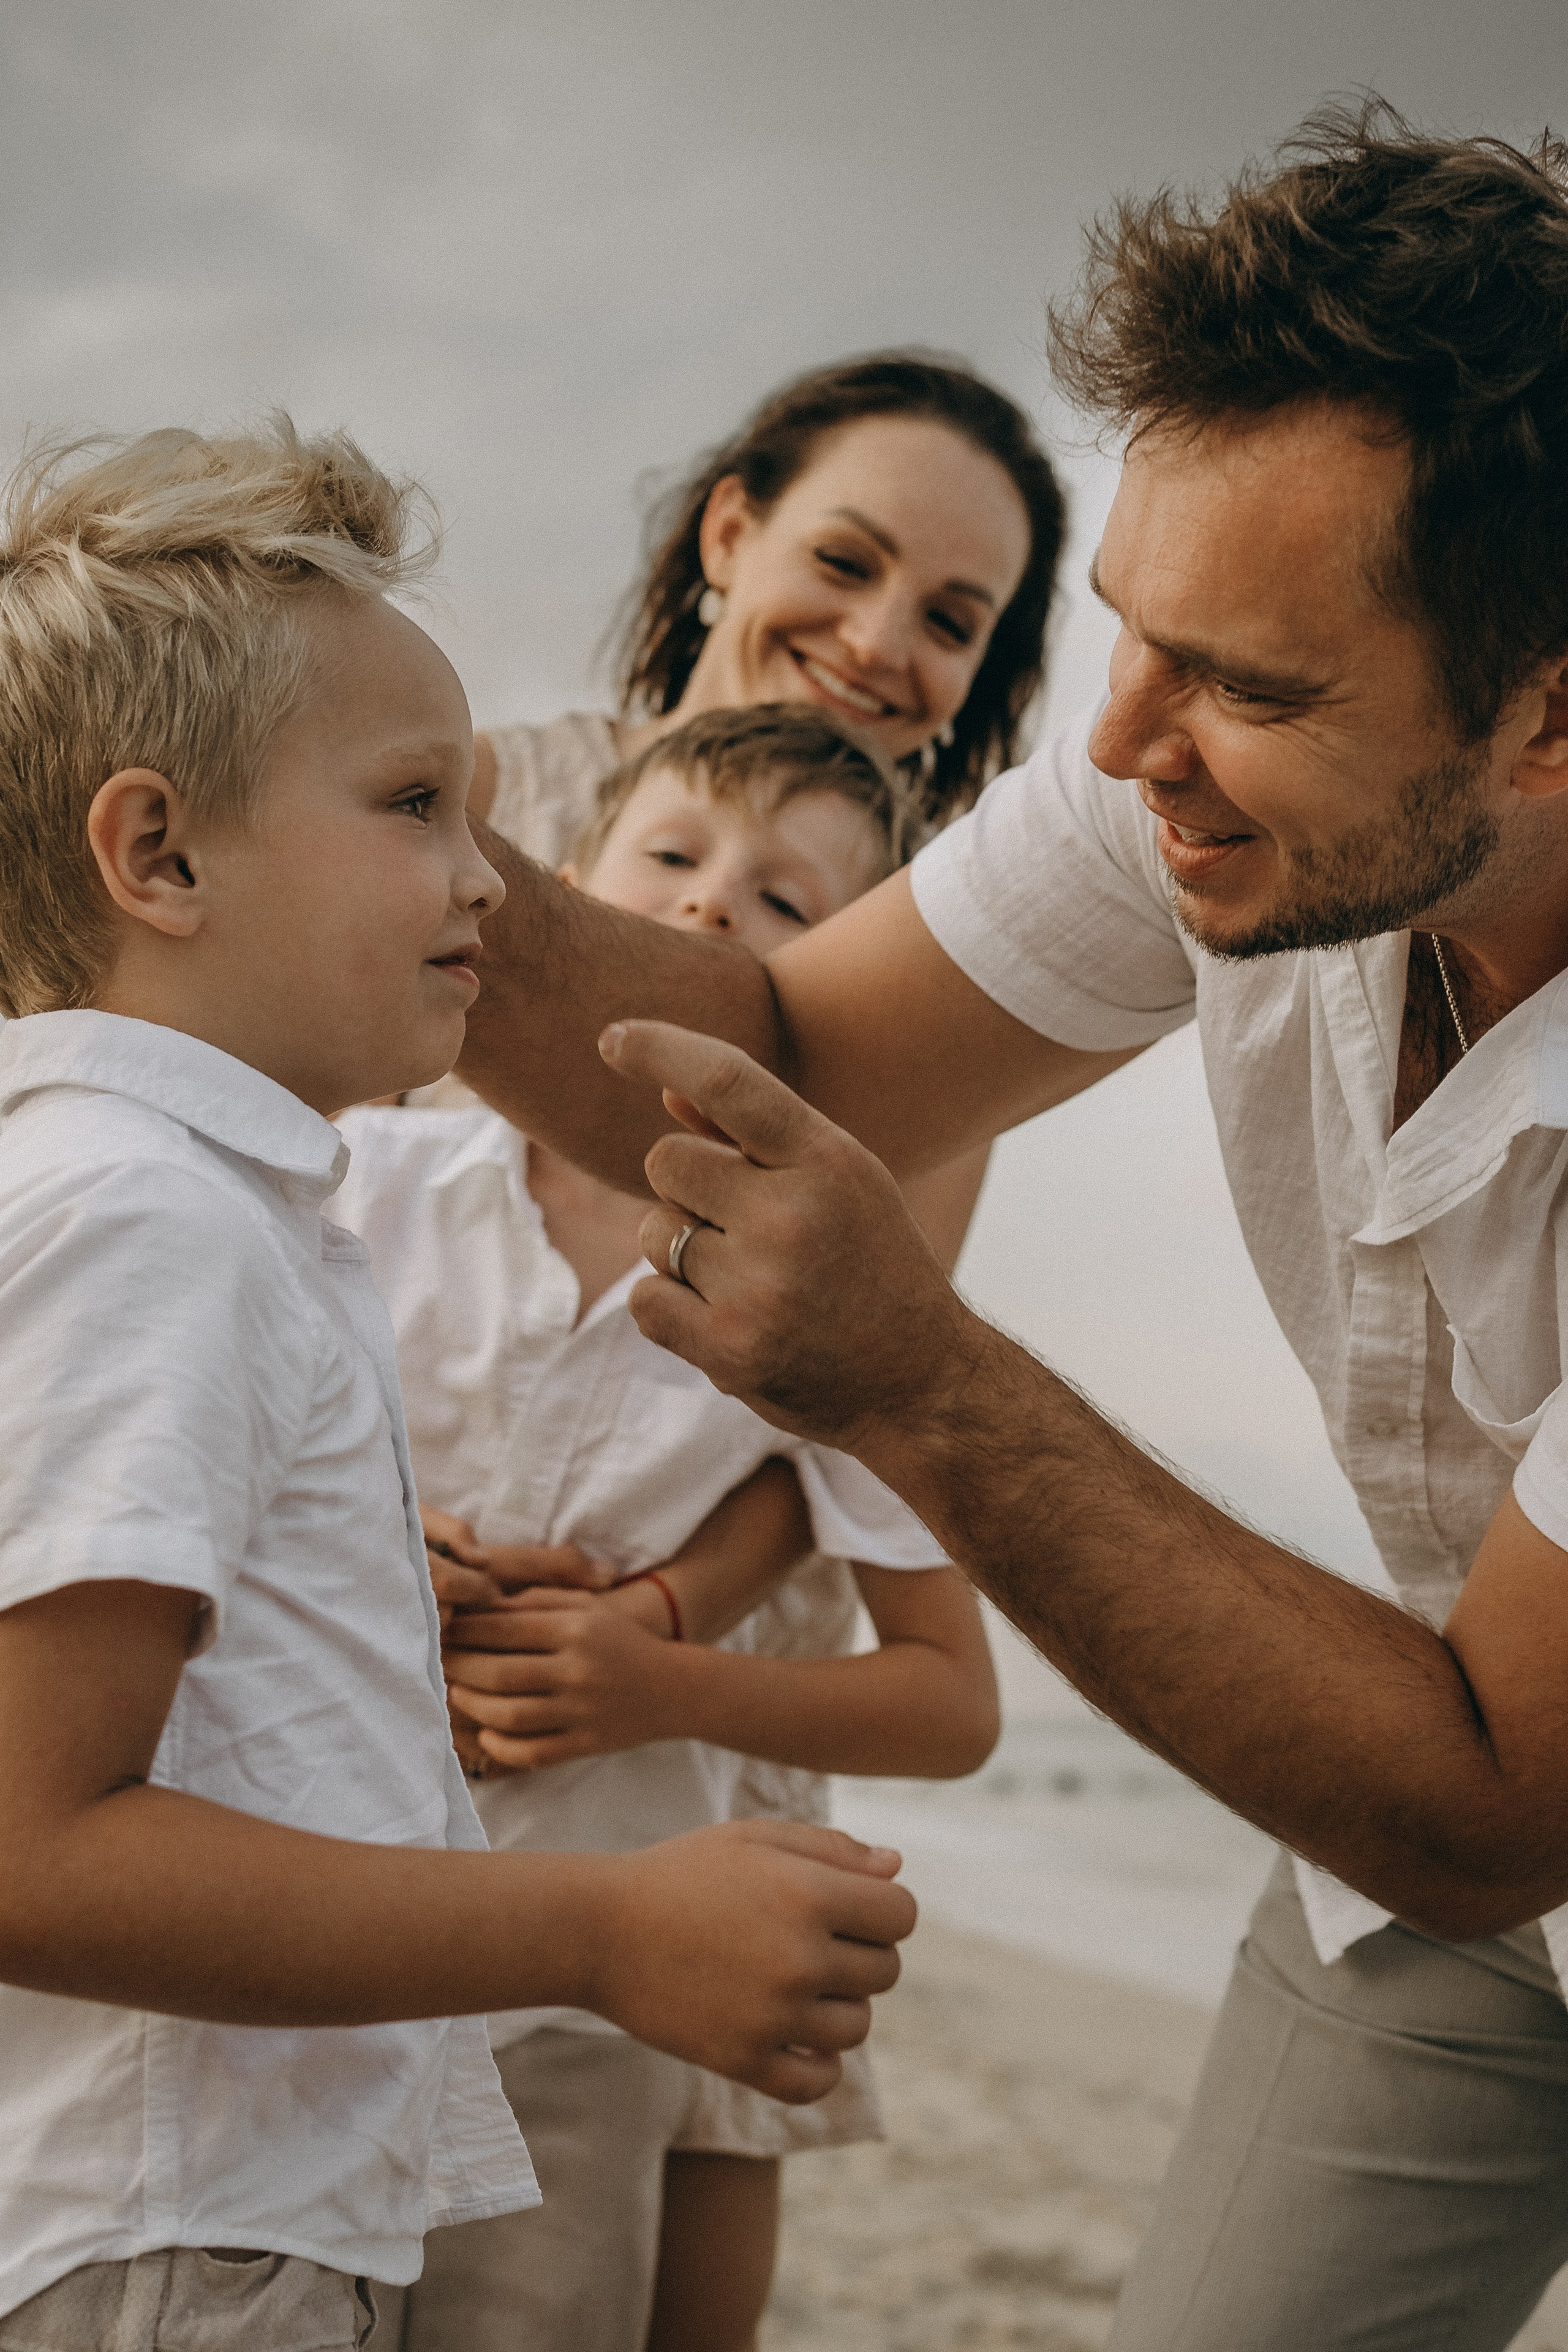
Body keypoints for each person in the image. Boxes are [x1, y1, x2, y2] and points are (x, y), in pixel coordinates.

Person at [450, 102, 1568, 2351]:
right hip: (1448, 1913)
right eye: (1128, 638)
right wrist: (369, 842)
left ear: (1546, 721)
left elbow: (1490, 1796)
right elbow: (789, 1048)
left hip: (1480, 1799)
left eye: (1249, 688)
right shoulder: (1184, 778)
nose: (1123, 739)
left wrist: (921, 1380)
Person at [0, 423, 916, 2352]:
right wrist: (603, 1928)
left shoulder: (198, 1203)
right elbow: (31, 1845)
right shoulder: (147, 1219)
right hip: (174, 2239)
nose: (489, 880)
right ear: (157, 852)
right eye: (418, 804)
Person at [334, 704, 998, 2352]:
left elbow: (948, 1696)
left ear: (840, 1003)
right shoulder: (366, 1183)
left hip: (582, 1993)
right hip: (306, 1901)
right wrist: (364, 1557)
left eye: (784, 907)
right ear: (563, 890)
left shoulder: (820, 1308)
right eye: (675, 859)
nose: (710, 908)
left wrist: (665, 1684)